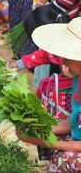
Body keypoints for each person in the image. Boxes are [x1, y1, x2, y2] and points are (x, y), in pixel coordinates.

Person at [17, 17, 81, 172]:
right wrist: (42, 129)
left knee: (66, 159)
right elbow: (74, 122)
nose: (63, 62)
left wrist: (47, 141)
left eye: (68, 56)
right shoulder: (77, 79)